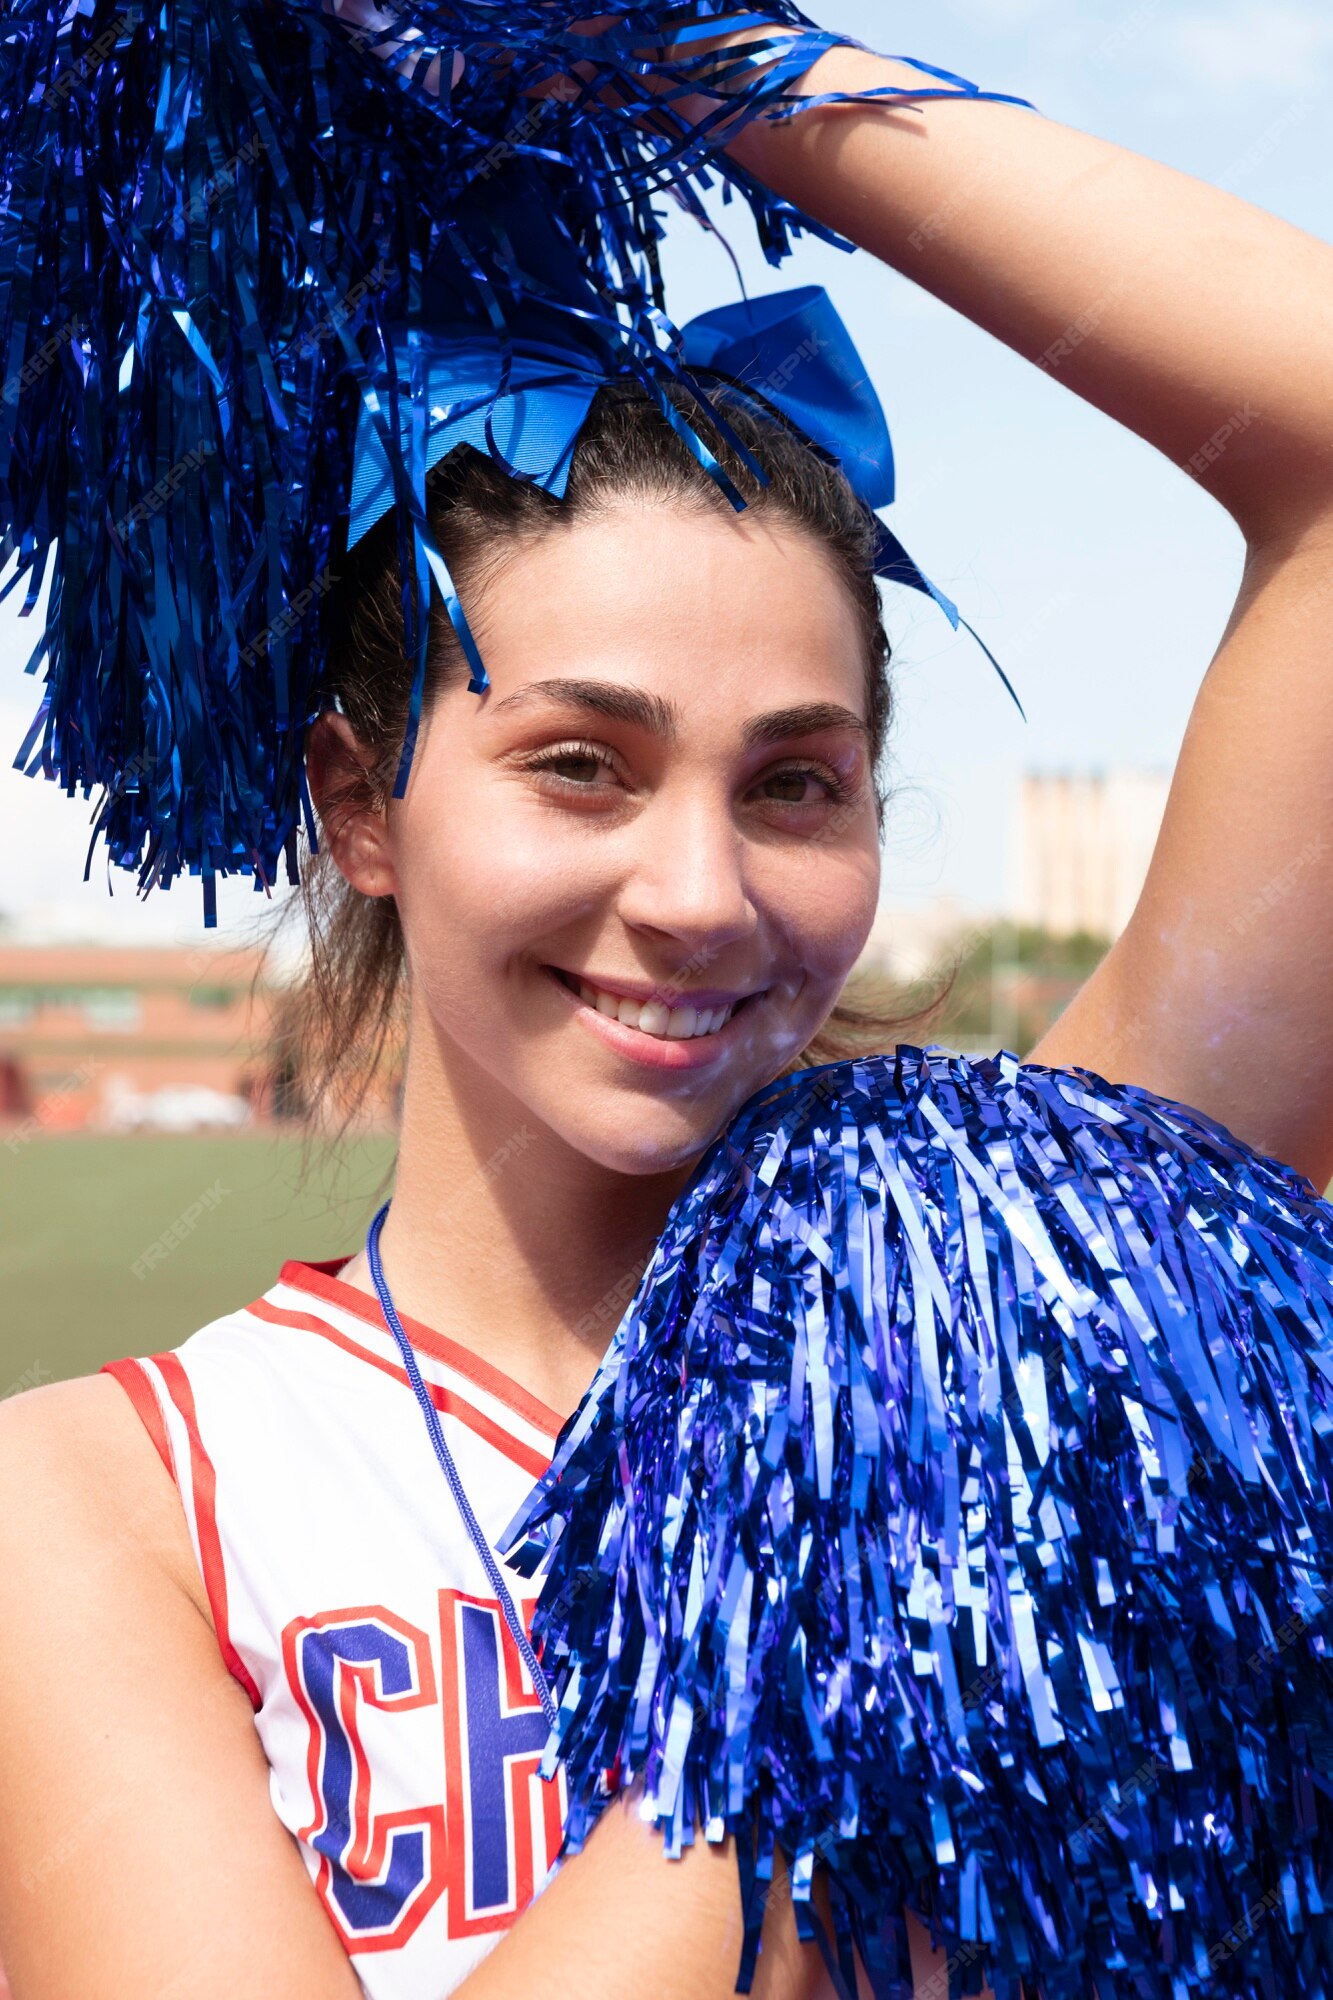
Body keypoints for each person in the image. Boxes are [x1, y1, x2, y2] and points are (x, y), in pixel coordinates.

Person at [2, 12, 1333, 2000]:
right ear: (365, 802)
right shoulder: (101, 1502)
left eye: (794, 781)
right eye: (581, 765)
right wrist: (871, 1557)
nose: (699, 895)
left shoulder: (1046, 1262)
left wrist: (677, 64)